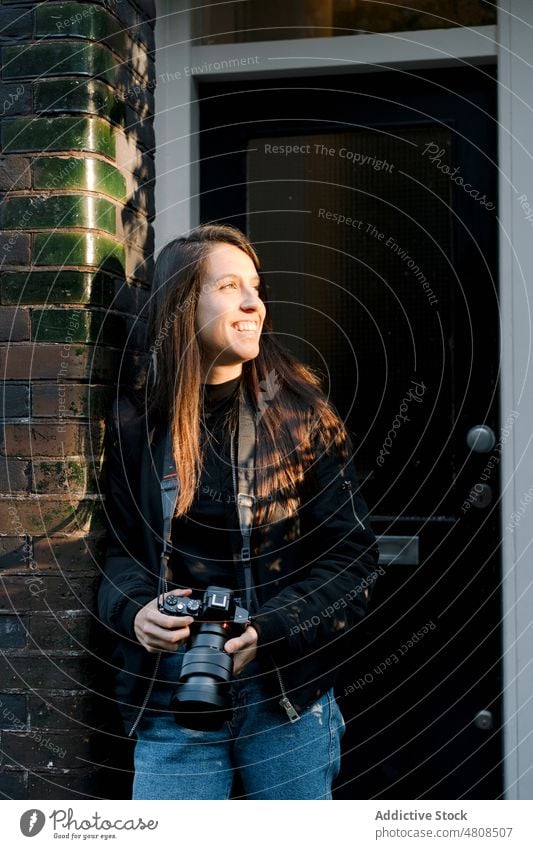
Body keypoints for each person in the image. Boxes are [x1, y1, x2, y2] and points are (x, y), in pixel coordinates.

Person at [97, 223, 379, 800]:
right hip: (173, 682)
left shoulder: (301, 416)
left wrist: (269, 630)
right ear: (180, 305)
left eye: (255, 286)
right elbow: (115, 553)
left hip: (283, 692)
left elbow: (353, 563)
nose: (254, 302)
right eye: (230, 286)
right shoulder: (136, 425)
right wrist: (135, 612)